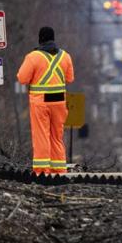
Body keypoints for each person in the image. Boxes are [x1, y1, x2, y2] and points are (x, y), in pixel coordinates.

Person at [16, 26, 75, 175]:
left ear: (40, 39)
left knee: (41, 135)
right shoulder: (65, 56)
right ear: (53, 39)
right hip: (60, 102)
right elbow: (70, 78)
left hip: (40, 102)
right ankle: (59, 169)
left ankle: (42, 170)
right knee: (57, 136)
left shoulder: (33, 57)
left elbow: (22, 79)